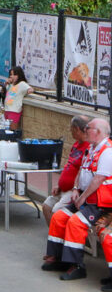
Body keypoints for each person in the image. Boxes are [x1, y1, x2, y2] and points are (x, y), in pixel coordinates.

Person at [42, 119, 112, 282]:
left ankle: (76, 266)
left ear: (99, 132)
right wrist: (75, 188)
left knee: (75, 222)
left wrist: (82, 197)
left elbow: (98, 179)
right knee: (59, 217)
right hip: (86, 198)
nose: (85, 130)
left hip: (100, 203)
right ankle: (58, 258)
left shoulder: (108, 151)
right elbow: (82, 170)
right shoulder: (92, 147)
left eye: (88, 128)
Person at [41, 116, 89, 227]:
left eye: (71, 128)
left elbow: (83, 171)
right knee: (46, 207)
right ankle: (54, 236)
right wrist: (59, 186)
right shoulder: (76, 145)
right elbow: (69, 166)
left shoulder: (88, 148)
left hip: (72, 191)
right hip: (62, 188)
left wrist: (75, 188)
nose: (70, 131)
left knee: (57, 212)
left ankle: (60, 239)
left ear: (76, 129)